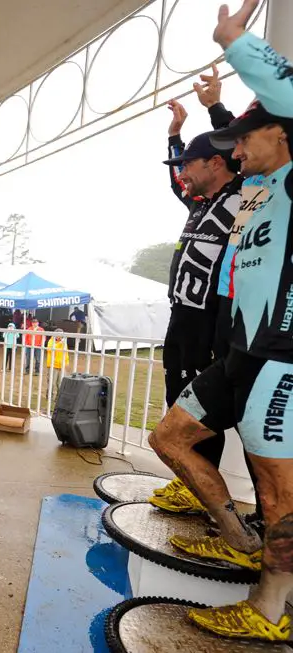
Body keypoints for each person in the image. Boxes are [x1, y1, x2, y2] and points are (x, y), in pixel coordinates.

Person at [147, 3, 293, 640]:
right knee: (170, 438)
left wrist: (234, 41)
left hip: (283, 355)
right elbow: (202, 171)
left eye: (247, 138)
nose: (237, 149)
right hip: (240, 352)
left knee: (278, 487)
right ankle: (236, 538)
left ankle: (271, 607)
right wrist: (202, 121)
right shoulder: (256, 188)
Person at [149, 69, 244, 514]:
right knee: (177, 401)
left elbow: (246, 147)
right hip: (181, 319)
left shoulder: (244, 195)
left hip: (214, 323)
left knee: (204, 415)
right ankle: (190, 487)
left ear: (218, 162)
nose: (182, 171)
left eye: (189, 162)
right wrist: (175, 135)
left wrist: (215, 108)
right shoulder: (199, 204)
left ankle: (209, 497)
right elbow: (176, 183)